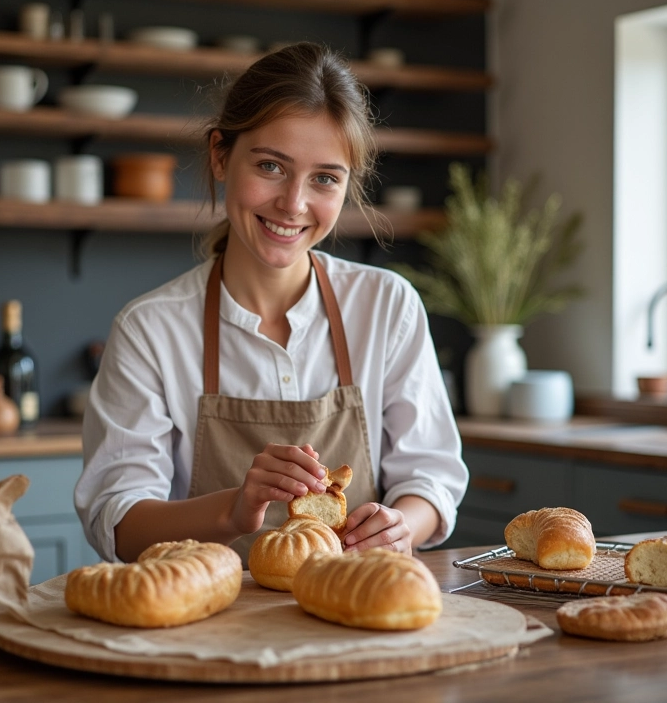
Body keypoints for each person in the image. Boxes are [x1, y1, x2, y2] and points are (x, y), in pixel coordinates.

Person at [75, 41, 468, 566]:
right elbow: (118, 523)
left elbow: (431, 476)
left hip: (357, 610)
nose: (294, 203)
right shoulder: (151, 329)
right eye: (270, 166)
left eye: (325, 178)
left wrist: (401, 526)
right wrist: (234, 510)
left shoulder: (386, 305)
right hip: (209, 619)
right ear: (220, 156)